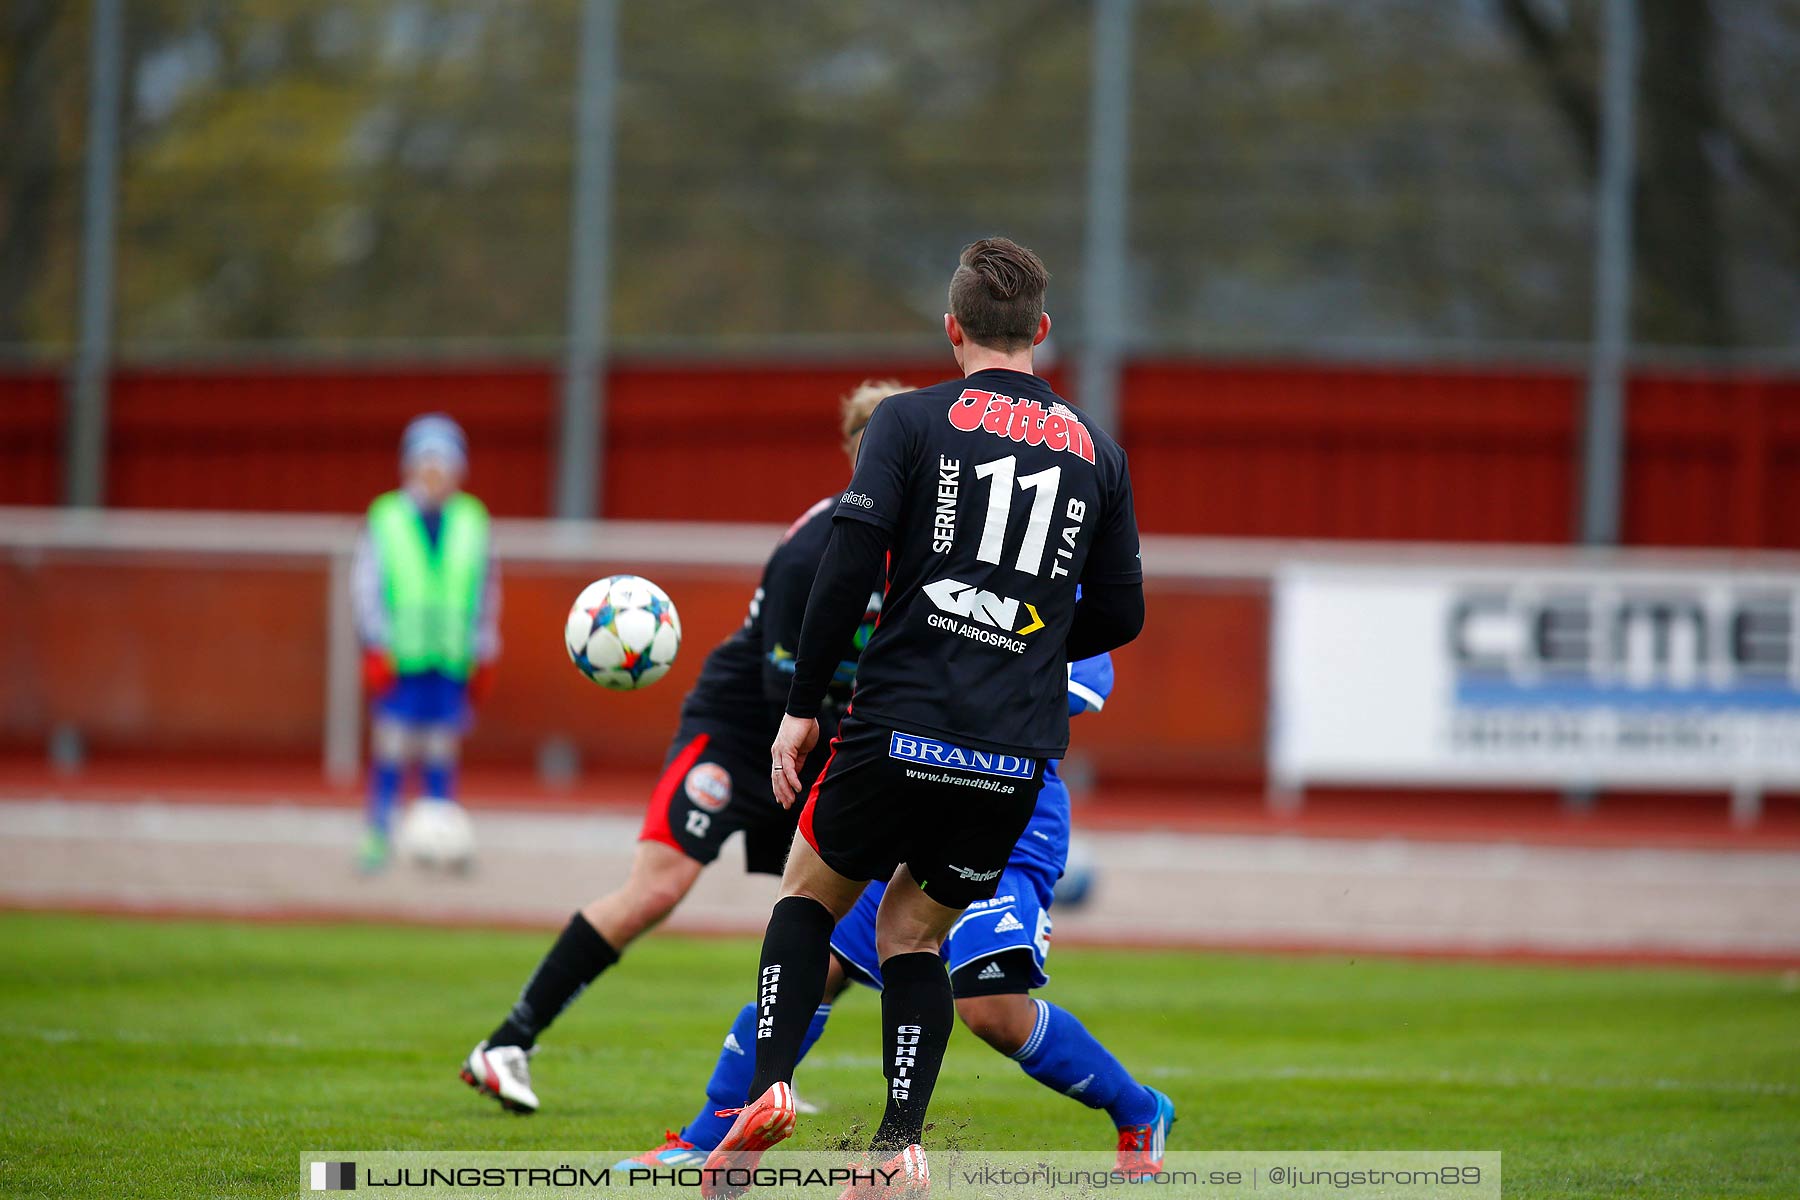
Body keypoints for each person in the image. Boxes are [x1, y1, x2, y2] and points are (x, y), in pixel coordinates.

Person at [703, 238, 1148, 1198]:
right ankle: (900, 1141)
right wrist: (1027, 639)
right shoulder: (1098, 455)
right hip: (1013, 757)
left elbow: (847, 568)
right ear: (1042, 331)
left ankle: (771, 1087)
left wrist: (796, 711)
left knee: (807, 892)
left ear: (952, 330)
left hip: (899, 723)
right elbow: (1123, 615)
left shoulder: (910, 422)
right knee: (915, 937)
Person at [458, 383, 898, 1114]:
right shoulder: (814, 551)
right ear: (857, 457)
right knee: (657, 888)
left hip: (824, 740)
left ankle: (764, 1083)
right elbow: (783, 685)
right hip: (742, 728)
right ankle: (507, 1041)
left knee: (849, 927)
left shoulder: (923, 549)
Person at [618, 651, 1174, 1179]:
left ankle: (1139, 1110)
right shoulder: (940, 560)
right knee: (820, 967)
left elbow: (1077, 687)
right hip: (915, 784)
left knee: (992, 1012)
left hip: (1005, 813)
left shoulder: (1060, 586)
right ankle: (702, 1140)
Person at [352, 413, 499, 873]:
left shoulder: (473, 519)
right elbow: (366, 583)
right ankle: (379, 831)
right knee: (393, 743)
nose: (435, 474)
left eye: (444, 464)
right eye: (426, 463)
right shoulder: (387, 516)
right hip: (402, 652)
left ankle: (440, 835)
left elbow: (486, 587)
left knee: (441, 745)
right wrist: (375, 642)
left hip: (451, 653)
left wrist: (485, 648)